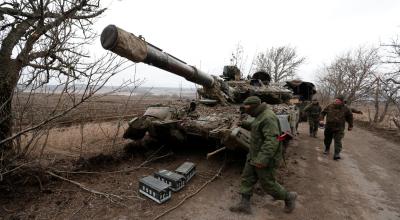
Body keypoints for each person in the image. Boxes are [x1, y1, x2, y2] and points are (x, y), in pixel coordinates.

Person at [230, 96, 297, 214]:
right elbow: (257, 126)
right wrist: (243, 123)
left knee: (268, 184)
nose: (244, 109)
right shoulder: (260, 115)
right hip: (254, 154)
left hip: (264, 156)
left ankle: (289, 197)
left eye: (246, 106)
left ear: (254, 106)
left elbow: (272, 141)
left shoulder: (268, 117)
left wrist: (262, 159)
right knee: (247, 178)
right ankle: (244, 204)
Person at [319, 95, 353, 160]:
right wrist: (321, 119)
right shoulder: (330, 106)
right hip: (329, 126)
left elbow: (350, 117)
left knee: (338, 140)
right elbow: (323, 113)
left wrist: (350, 126)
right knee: (327, 139)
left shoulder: (346, 108)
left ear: (342, 102)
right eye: (336, 100)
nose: (336, 101)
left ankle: (337, 153)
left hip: (339, 128)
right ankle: (327, 148)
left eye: (338, 100)